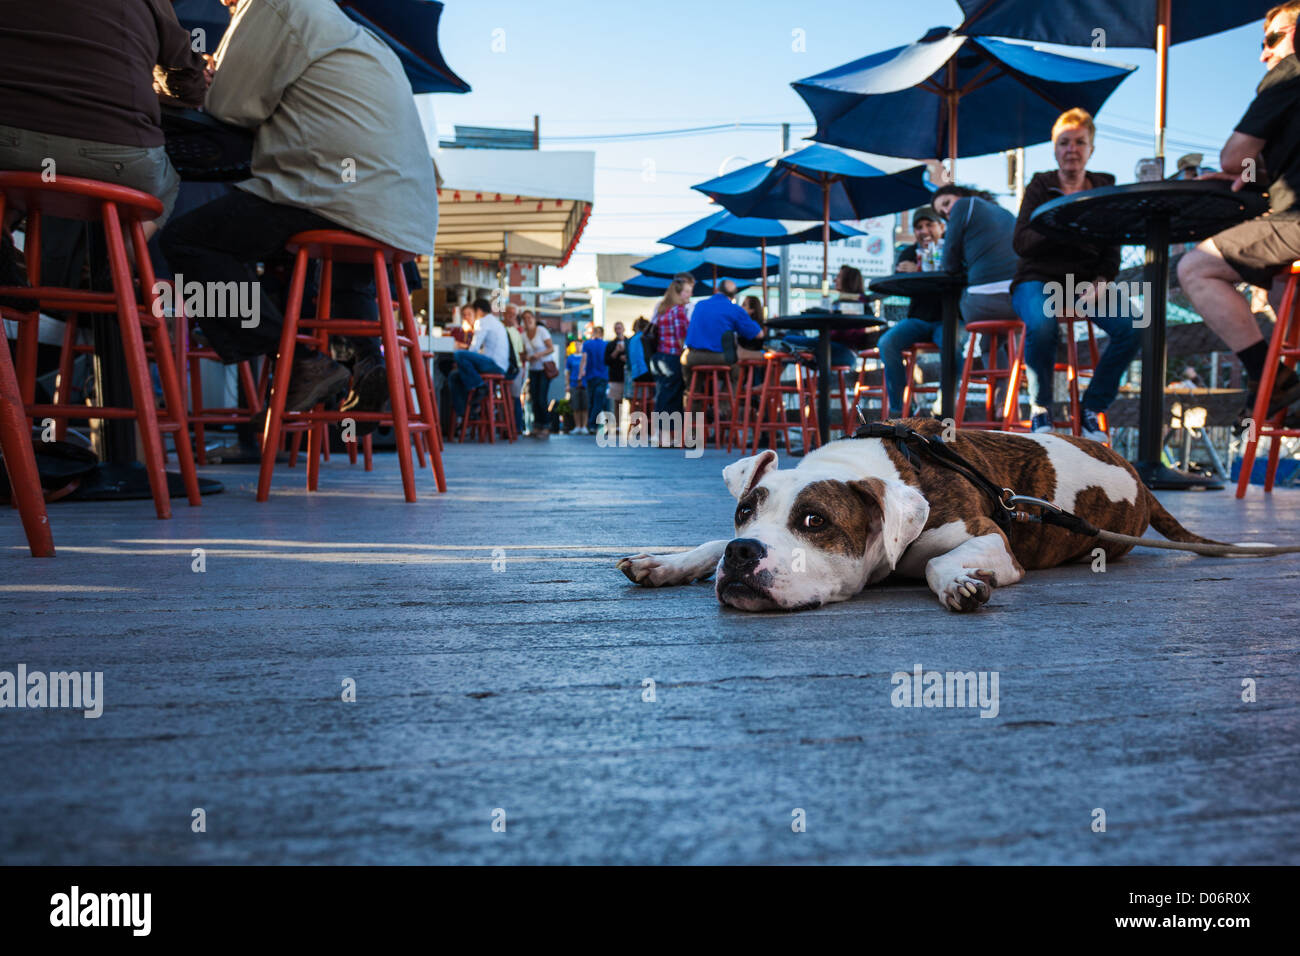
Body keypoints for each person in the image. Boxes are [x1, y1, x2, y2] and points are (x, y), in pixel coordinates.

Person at [160, 0, 438, 420]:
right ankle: (362, 360)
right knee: (321, 264)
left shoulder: (270, 5)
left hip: (335, 195)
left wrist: (206, 80)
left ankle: (296, 360)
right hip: (399, 214)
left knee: (187, 242)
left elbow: (228, 107)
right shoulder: (356, 32)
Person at [1178, 1, 1300, 428]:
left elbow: (1233, 155)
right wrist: (1255, 172)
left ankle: (1271, 378)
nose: (1265, 53)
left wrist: (1238, 167)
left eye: (1273, 38)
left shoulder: (1291, 71)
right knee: (1286, 293)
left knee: (1196, 267)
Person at [0, 0, 208, 239]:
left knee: (13, 182)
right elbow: (188, 86)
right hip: (116, 156)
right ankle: (117, 270)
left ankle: (6, 250)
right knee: (167, 182)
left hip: (8, 145)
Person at [1010, 107, 1138, 441]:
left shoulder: (1104, 188)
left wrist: (1102, 282)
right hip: (1036, 278)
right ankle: (1040, 407)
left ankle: (1093, 407)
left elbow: (1113, 246)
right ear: (1055, 149)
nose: (1072, 149)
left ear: (1091, 149)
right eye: (1064, 142)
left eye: (1080, 142)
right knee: (1041, 323)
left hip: (1085, 283)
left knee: (1135, 324)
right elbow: (1021, 243)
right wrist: (1060, 222)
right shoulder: (1041, 185)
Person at [877, 207, 950, 416]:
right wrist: (902, 272)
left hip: (950, 319)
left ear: (942, 227)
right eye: (919, 227)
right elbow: (899, 284)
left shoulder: (952, 249)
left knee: (951, 344)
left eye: (930, 224)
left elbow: (959, 275)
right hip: (918, 319)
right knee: (887, 343)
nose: (924, 230)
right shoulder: (910, 252)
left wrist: (918, 271)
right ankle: (899, 410)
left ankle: (945, 402)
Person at [931, 184, 1019, 325]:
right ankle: (998, 348)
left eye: (946, 203)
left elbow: (949, 265)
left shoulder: (963, 205)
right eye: (942, 214)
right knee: (994, 337)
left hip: (982, 303)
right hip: (1020, 300)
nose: (947, 211)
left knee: (962, 301)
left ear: (960, 195)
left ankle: (953, 346)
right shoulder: (1005, 212)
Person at [681, 279, 765, 372]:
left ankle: (692, 387)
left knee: (693, 373)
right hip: (719, 357)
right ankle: (732, 386)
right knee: (737, 368)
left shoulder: (699, 305)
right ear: (734, 295)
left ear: (717, 290)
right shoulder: (734, 309)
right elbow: (759, 334)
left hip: (692, 356)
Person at [449, 298, 508, 419]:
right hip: (500, 365)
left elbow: (474, 348)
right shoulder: (496, 322)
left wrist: (460, 360)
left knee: (459, 355)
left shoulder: (482, 322)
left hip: (494, 364)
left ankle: (479, 386)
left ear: (479, 310)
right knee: (454, 376)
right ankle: (468, 413)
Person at [649, 273, 695, 416]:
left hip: (658, 356)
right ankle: (669, 435)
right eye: (686, 291)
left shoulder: (662, 309)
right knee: (673, 398)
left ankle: (660, 435)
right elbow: (681, 336)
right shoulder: (678, 311)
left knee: (662, 395)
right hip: (673, 357)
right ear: (678, 293)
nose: (690, 295)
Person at [521, 310, 554, 439]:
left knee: (542, 397)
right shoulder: (523, 335)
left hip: (544, 368)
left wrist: (538, 355)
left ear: (534, 319)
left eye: (529, 317)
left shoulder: (541, 331)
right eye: (525, 318)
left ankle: (546, 425)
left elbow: (551, 348)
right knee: (534, 397)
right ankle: (537, 425)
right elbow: (523, 352)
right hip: (533, 369)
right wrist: (526, 357)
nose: (527, 320)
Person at [579, 326, 610, 434]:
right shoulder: (606, 344)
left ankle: (592, 425)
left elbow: (584, 359)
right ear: (602, 333)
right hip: (603, 376)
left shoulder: (587, 344)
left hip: (590, 376)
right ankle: (593, 425)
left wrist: (580, 374)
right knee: (598, 401)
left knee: (591, 401)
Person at [502, 305, 527, 435]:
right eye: (509, 313)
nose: (511, 316)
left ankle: (516, 427)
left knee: (515, 397)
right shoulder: (502, 329)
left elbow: (522, 352)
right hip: (504, 368)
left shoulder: (518, 332)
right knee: (507, 398)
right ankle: (507, 427)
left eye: (513, 314)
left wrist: (522, 369)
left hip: (516, 368)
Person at [604, 321, 628, 431]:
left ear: (623, 329)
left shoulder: (629, 342)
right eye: (616, 328)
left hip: (628, 376)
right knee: (616, 401)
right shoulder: (611, 344)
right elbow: (606, 360)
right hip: (615, 377)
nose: (618, 330)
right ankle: (615, 425)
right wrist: (616, 352)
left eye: (620, 328)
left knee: (632, 401)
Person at [565, 340, 589, 433]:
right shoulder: (570, 358)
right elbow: (567, 372)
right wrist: (567, 384)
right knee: (576, 406)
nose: (578, 346)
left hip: (585, 384)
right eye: (576, 345)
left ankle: (584, 426)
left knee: (585, 406)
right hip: (574, 384)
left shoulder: (585, 357)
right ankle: (577, 426)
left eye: (579, 345)